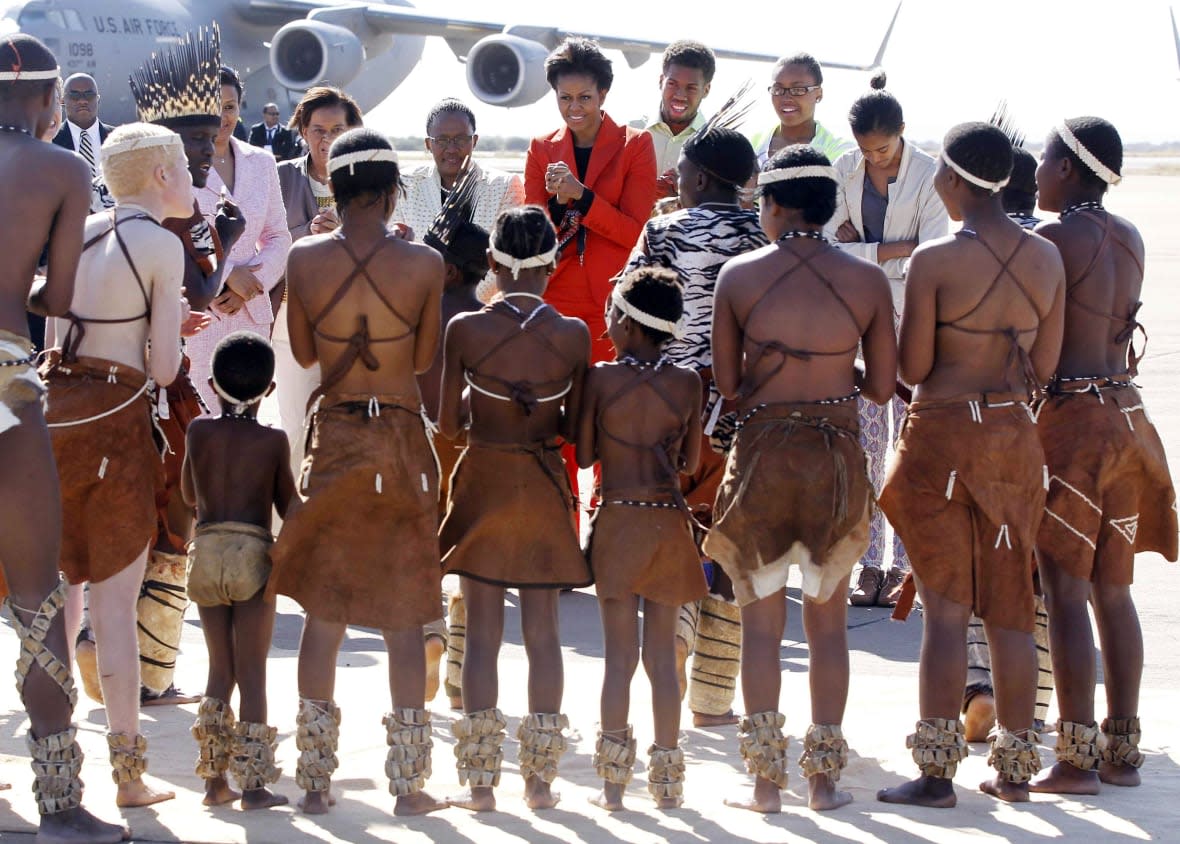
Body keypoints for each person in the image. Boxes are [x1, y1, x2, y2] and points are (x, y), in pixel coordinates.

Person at [876, 122, 1065, 808]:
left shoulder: (934, 260)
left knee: (947, 613)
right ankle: (1015, 771)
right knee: (1012, 609)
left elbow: (917, 368)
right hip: (1014, 442)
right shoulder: (1046, 260)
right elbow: (1044, 367)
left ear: (953, 181)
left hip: (942, 442)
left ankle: (935, 775)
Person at [704, 145, 896, 813]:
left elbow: (727, 385)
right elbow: (880, 390)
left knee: (762, 630)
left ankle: (764, 784)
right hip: (836, 459)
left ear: (779, 207)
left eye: (762, 202)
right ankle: (823, 782)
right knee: (828, 629)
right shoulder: (867, 282)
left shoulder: (740, 276)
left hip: (761, 458)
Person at [268, 128, 446, 817]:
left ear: (334, 190)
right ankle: (410, 787)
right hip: (400, 437)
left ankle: (314, 782)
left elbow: (308, 351)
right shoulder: (424, 264)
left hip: (337, 435)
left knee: (325, 609)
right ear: (392, 188)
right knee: (405, 612)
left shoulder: (305, 258)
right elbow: (426, 361)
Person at [0, 32, 130, 844]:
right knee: (37, 591)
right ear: (50, 102)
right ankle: (58, 803)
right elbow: (59, 301)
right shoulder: (63, 170)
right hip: (8, 375)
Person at [44, 121, 195, 808]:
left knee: (46, 603)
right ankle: (128, 777)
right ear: (160, 176)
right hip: (115, 434)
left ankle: (50, 761)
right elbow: (163, 369)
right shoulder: (161, 244)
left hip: (50, 425)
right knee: (111, 611)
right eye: (186, 167)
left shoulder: (74, 233)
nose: (191, 178)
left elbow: (54, 342)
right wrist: (173, 318)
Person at [1028, 117, 1177, 795]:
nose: (1035, 172)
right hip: (1129, 419)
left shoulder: (1054, 238)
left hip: (1075, 427)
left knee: (1064, 592)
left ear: (1067, 169)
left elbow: (1036, 342)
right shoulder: (1132, 236)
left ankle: (1074, 759)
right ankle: (1122, 752)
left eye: (1044, 160)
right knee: (1113, 594)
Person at [439, 206, 591, 812]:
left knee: (480, 635)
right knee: (543, 634)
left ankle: (479, 785)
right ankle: (541, 782)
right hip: (543, 481)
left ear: (493, 265)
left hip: (484, 479)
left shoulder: (467, 330)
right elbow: (578, 434)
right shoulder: (575, 334)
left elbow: (449, 423)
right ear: (552, 266)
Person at [620, 119, 767, 727]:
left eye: (679, 171)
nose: (672, 180)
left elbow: (625, 306)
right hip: (739, 408)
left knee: (674, 528)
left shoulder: (662, 230)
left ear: (700, 177)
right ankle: (711, 700)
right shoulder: (763, 234)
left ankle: (673, 636)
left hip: (669, 402)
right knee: (731, 542)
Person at [578, 267, 707, 811]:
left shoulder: (601, 380)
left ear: (628, 324)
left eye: (613, 312)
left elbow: (584, 456)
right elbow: (691, 463)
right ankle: (669, 783)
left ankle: (612, 787)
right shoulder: (688, 383)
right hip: (667, 523)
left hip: (618, 521)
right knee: (661, 658)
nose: (608, 320)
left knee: (618, 660)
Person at [824, 75, 948, 608]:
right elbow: (831, 244)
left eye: (883, 148)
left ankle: (905, 565)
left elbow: (931, 251)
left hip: (916, 323)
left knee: (910, 448)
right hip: (864, 323)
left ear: (903, 133)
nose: (873, 158)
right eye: (865, 149)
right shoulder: (844, 170)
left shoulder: (930, 174)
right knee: (867, 446)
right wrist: (889, 248)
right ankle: (869, 563)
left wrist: (867, 247)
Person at [525, 36, 657, 505]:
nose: (573, 108)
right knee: (554, 423)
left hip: (612, 303)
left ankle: (608, 539)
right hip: (556, 300)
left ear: (603, 94)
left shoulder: (635, 145)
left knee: (611, 419)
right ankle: (562, 536)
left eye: (584, 97)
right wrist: (556, 212)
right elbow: (534, 234)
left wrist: (582, 197)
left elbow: (635, 229)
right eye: (564, 98)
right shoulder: (541, 149)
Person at [182, 332, 294, 810]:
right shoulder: (272, 440)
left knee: (218, 669)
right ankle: (253, 785)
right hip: (252, 553)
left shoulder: (198, 433)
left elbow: (189, 495)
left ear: (212, 383)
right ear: (269, 391)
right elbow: (288, 505)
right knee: (252, 672)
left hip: (206, 552)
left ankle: (213, 782)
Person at [416, 171, 491, 709]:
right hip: (469, 448)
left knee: (423, 549)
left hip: (421, 444)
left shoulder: (423, 317)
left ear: (444, 270)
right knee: (467, 556)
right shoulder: (485, 320)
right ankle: (462, 677)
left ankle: (428, 631)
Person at [186, 65, 291, 412]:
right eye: (213, 105)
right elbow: (171, 238)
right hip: (200, 313)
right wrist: (226, 275)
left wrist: (253, 282)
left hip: (251, 316)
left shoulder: (261, 162)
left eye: (230, 106)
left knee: (247, 433)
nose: (222, 115)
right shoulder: (176, 162)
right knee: (198, 429)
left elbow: (279, 235)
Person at [274, 86, 363, 473]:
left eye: (337, 130)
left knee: (346, 426)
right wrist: (303, 238)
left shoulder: (370, 182)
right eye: (317, 130)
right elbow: (263, 244)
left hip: (351, 324)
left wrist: (349, 230)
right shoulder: (279, 178)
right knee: (295, 426)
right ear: (303, 131)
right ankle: (294, 519)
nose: (326, 139)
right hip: (291, 319)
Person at [395, 97, 524, 299]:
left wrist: (467, 300)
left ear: (474, 141)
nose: (452, 149)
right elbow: (395, 254)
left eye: (461, 139)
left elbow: (511, 259)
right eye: (442, 140)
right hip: (418, 307)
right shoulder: (405, 184)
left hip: (482, 312)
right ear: (428, 144)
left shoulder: (504, 185)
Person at [636, 40, 714, 199]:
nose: (680, 95)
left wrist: (682, 197)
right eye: (672, 84)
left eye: (691, 88)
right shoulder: (631, 130)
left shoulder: (716, 145)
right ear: (660, 81)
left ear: (706, 90)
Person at [748, 53, 853, 168]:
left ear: (819, 94)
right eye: (778, 89)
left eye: (798, 90)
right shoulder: (752, 145)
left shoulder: (840, 152)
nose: (786, 98)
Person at [52, 73, 114, 181]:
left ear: (98, 99)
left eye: (89, 95)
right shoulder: (50, 141)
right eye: (74, 95)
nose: (82, 101)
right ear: (62, 101)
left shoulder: (118, 139)